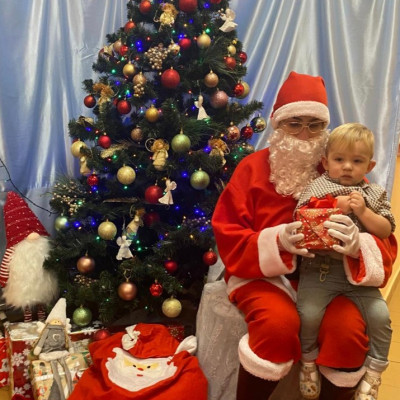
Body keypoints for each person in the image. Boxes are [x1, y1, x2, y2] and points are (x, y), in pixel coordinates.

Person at [211, 71, 397, 400]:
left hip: (330, 276)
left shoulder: (341, 169)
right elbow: (228, 232)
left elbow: (385, 239)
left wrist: (358, 245)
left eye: (314, 125)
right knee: (277, 327)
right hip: (264, 278)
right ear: (278, 124)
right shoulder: (251, 169)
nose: (304, 134)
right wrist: (278, 242)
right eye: (294, 123)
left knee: (348, 332)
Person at [295, 123, 396, 400]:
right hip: (321, 270)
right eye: (339, 159)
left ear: (370, 165)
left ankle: (374, 372)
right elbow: (301, 217)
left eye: (357, 161)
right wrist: (332, 206)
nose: (348, 167)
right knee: (308, 314)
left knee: (381, 317)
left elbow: (386, 229)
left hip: (359, 274)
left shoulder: (373, 193)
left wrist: (363, 212)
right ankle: (308, 361)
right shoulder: (317, 187)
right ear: (326, 162)